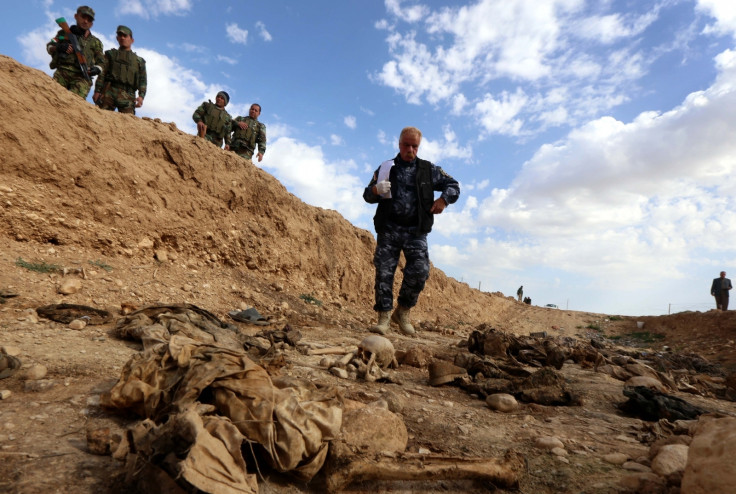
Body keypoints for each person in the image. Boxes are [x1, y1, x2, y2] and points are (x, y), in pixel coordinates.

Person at [363, 126, 460, 335]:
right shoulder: (386, 168)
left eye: (414, 146)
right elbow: (367, 195)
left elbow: (453, 184)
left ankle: (403, 312)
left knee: (420, 271)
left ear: (419, 146)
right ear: (399, 144)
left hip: (415, 231)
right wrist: (375, 190)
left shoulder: (428, 170)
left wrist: (444, 200)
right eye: (406, 145)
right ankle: (384, 318)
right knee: (384, 272)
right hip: (389, 228)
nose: (410, 149)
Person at [46, 5, 104, 99]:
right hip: (62, 71)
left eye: (89, 20)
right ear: (76, 16)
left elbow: (101, 62)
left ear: (91, 24)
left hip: (82, 77)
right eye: (83, 17)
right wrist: (58, 47)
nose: (85, 21)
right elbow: (50, 46)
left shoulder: (96, 42)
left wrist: (97, 69)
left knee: (74, 102)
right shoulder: (64, 33)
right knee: (51, 97)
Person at [92, 25, 146, 114]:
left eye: (125, 36)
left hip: (128, 95)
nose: (122, 38)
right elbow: (102, 74)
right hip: (109, 91)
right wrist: (97, 91)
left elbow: (143, 81)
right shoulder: (110, 55)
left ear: (132, 40)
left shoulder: (139, 61)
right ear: (117, 38)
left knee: (128, 123)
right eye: (120, 36)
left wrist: (141, 97)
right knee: (101, 117)